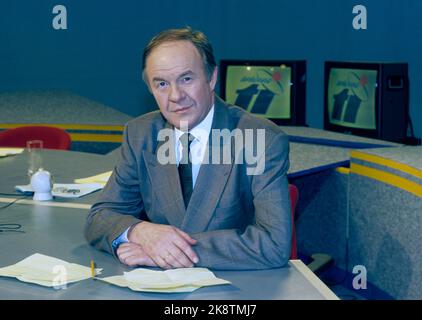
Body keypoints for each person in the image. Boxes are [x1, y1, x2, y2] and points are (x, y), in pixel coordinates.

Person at [85, 27, 292, 270]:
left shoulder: (260, 139)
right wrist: (142, 233)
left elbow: (274, 243)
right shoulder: (140, 134)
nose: (175, 96)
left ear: (211, 78)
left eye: (186, 79)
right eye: (161, 84)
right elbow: (99, 218)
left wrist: (168, 252)